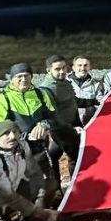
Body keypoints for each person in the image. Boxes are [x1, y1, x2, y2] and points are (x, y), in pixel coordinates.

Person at [0, 63, 57, 206]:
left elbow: (52, 116)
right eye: (19, 76)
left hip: (40, 148)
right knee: (22, 185)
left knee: (48, 181)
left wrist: (44, 124)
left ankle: (46, 208)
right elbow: (1, 131)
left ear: (32, 77)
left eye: (27, 75)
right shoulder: (2, 100)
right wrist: (24, 136)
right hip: (17, 153)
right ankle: (25, 216)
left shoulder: (40, 94)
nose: (23, 79)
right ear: (11, 79)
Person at [0, 121, 59, 221]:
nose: (12, 136)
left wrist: (39, 198)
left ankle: (29, 219)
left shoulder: (22, 146)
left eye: (15, 131)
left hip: (14, 190)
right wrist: (38, 212)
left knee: (50, 184)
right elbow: (6, 195)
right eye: (6, 133)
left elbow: (34, 173)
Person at [37, 55, 84, 193]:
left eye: (64, 68)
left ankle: (57, 186)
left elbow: (73, 102)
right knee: (76, 158)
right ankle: (74, 189)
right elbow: (54, 115)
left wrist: (96, 101)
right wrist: (72, 129)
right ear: (48, 70)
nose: (62, 71)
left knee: (53, 155)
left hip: (72, 126)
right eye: (57, 69)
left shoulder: (65, 82)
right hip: (62, 130)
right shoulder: (47, 89)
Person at [68, 56, 103, 125]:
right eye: (79, 65)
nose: (83, 68)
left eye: (85, 65)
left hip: (90, 124)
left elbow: (100, 105)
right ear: (73, 68)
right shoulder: (64, 83)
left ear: (89, 67)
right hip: (70, 126)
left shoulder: (96, 84)